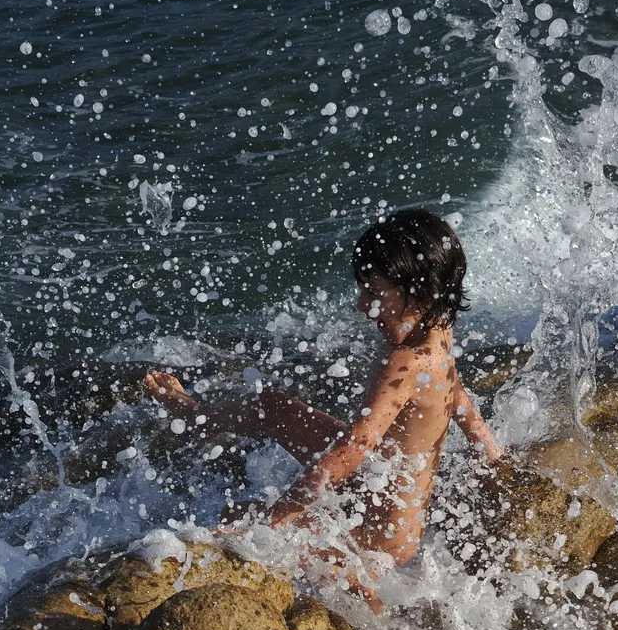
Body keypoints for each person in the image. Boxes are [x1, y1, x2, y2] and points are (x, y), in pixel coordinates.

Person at [143, 208, 501, 584]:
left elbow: (353, 448)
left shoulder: (404, 363)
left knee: (238, 517)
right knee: (273, 407)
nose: (364, 305)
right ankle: (198, 417)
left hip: (376, 533)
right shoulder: (438, 330)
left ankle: (370, 605)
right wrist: (489, 451)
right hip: (387, 504)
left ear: (420, 294)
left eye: (374, 292)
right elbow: (455, 392)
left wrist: (278, 517)